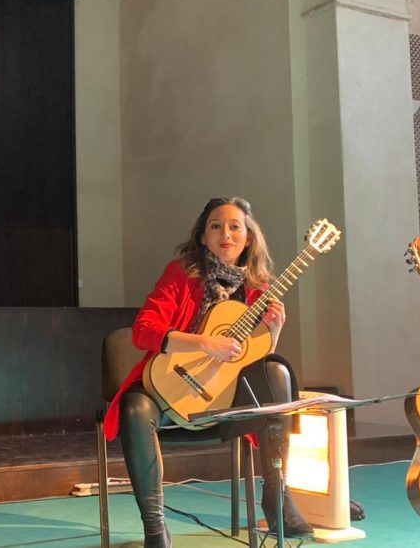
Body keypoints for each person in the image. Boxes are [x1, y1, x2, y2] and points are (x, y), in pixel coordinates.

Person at [103, 197, 313, 547]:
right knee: (134, 408)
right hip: (170, 389)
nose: (225, 233)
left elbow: (255, 360)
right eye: (216, 226)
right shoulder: (180, 275)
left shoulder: (259, 290)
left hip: (227, 399)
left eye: (235, 227)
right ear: (202, 236)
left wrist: (274, 332)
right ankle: (155, 527)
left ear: (249, 238)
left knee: (276, 371)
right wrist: (204, 343)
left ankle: (277, 498)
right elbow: (143, 330)